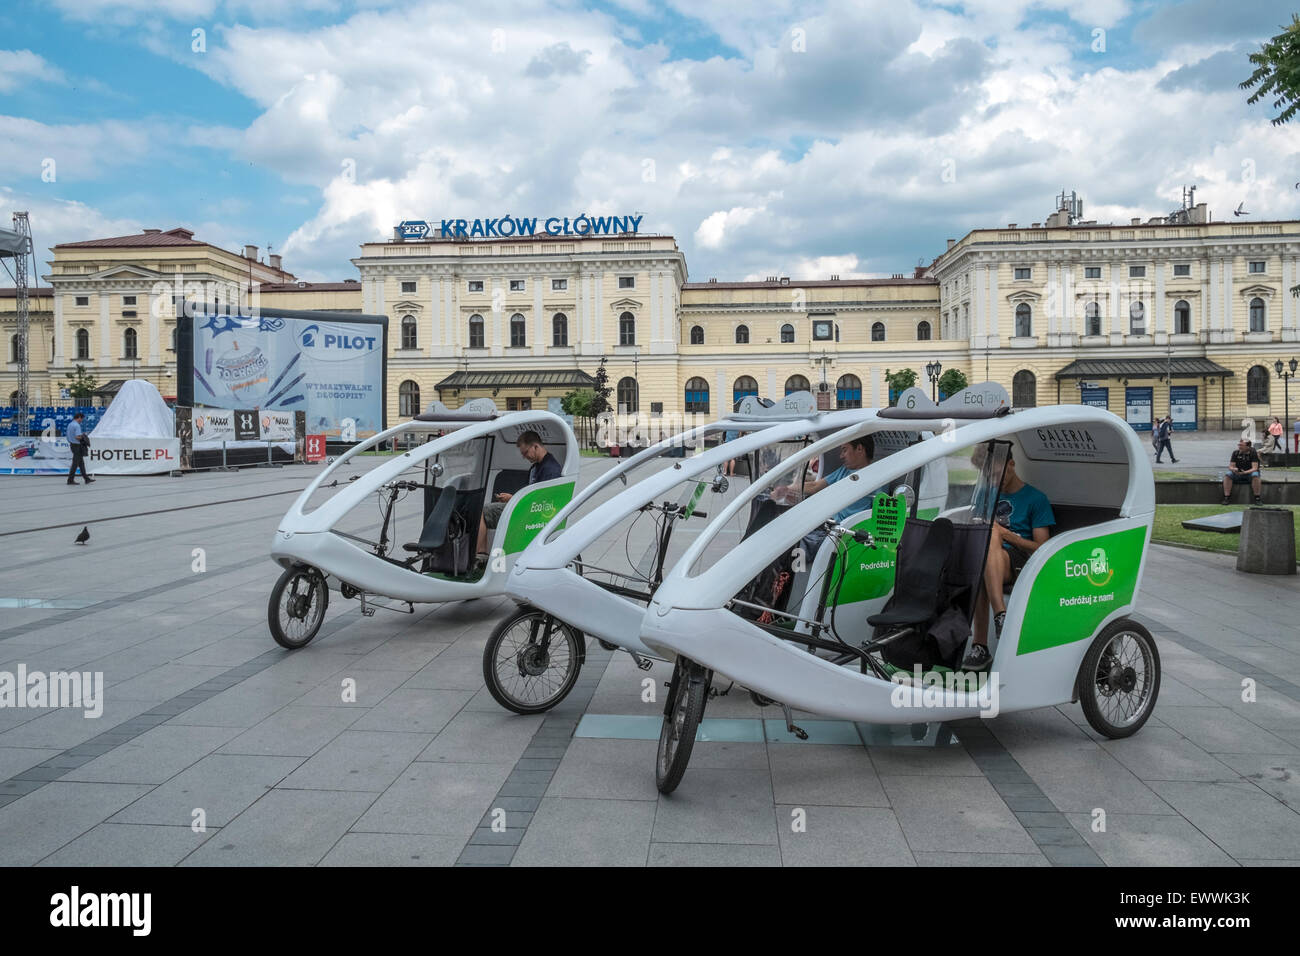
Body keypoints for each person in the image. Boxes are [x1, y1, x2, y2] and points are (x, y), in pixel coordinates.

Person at [963, 448, 1054, 671]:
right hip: (990, 559)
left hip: (1020, 559)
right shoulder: (987, 494)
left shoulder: (1035, 499)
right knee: (983, 552)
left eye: (997, 475)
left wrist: (1007, 536)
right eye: (989, 477)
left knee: (992, 533)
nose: (994, 482)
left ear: (1011, 465)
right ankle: (995, 624)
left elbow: (1042, 548)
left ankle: (983, 641)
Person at [774, 434, 888, 559]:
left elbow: (878, 518)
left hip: (846, 535)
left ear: (860, 449)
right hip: (828, 528)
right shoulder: (843, 471)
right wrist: (786, 489)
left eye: (844, 450)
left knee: (791, 546)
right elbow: (815, 485)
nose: (841, 456)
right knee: (785, 534)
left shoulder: (877, 476)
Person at [477, 430, 562, 557]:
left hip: (528, 513)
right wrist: (512, 499)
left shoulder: (550, 469)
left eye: (526, 453)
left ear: (535, 446)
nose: (524, 457)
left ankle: (481, 555)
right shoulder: (538, 466)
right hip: (525, 508)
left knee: (483, 511)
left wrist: (513, 499)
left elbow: (543, 501)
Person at [1222, 438, 1262, 506]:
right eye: (1239, 445)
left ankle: (1257, 498)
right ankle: (1226, 498)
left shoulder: (1253, 453)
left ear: (1247, 446)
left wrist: (1244, 472)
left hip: (1249, 474)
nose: (1239, 446)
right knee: (1228, 475)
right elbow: (1231, 466)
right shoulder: (1235, 453)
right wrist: (1234, 469)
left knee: (1255, 475)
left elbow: (1255, 468)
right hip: (1238, 473)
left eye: (1241, 445)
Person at [64, 412, 94, 486]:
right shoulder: (77, 425)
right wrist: (83, 437)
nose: (82, 420)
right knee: (75, 463)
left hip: (72, 444)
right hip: (77, 445)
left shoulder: (70, 424)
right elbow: (77, 437)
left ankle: (86, 478)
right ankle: (70, 480)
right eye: (82, 419)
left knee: (81, 463)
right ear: (79, 417)